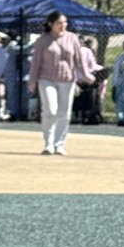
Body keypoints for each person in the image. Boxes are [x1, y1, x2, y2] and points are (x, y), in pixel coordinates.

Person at [27, 10, 91, 155]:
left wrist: (86, 74)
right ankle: (48, 143)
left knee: (64, 112)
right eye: (59, 23)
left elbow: (79, 59)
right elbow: (36, 62)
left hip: (67, 79)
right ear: (51, 24)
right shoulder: (43, 40)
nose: (63, 25)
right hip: (46, 78)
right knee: (50, 109)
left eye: (65, 23)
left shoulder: (72, 38)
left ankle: (59, 144)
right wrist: (32, 80)